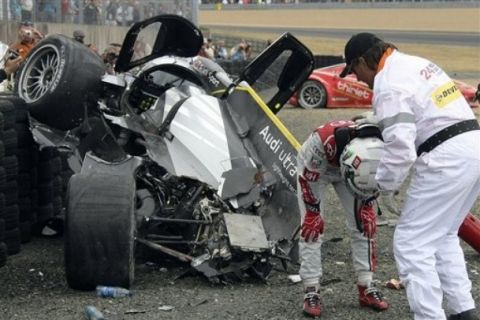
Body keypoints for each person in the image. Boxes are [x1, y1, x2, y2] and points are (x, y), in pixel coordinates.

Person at [340, 33, 480, 320]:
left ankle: (429, 316)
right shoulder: (416, 64)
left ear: (362, 61)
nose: (358, 79)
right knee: (442, 235)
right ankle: (463, 311)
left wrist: (382, 186)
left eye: (354, 71)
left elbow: (401, 147)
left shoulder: (387, 83)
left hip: (446, 158)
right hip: (472, 148)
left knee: (411, 242)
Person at [297, 119, 389, 318]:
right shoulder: (321, 143)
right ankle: (311, 289)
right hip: (314, 170)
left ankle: (366, 285)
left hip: (354, 171)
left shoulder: (379, 149)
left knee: (365, 224)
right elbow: (307, 178)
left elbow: (377, 181)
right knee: (311, 228)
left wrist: (368, 201)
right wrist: (312, 212)